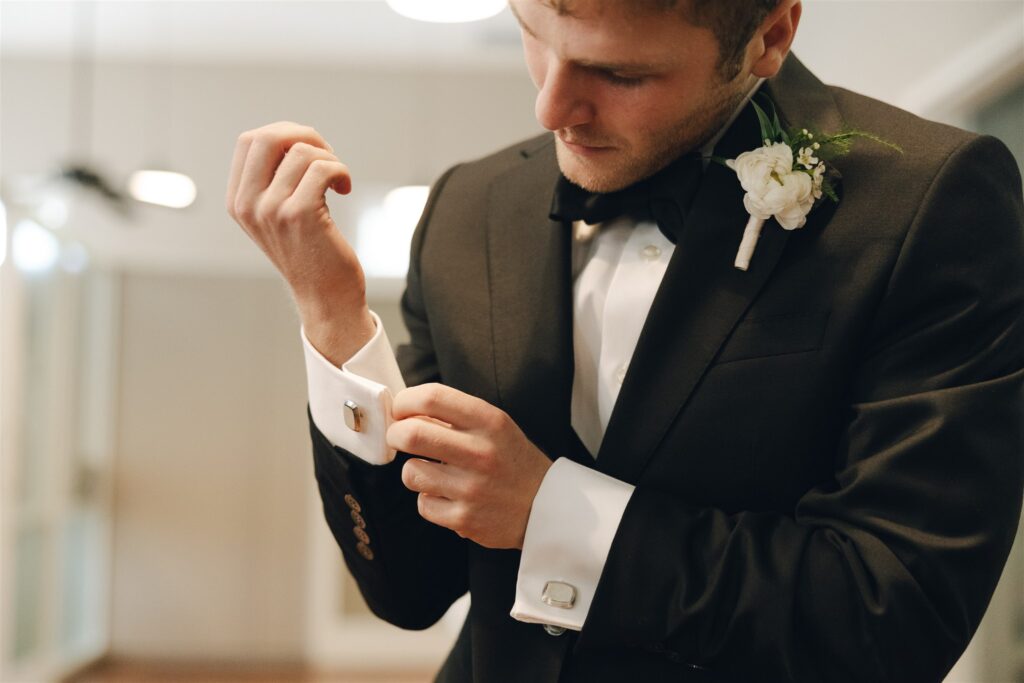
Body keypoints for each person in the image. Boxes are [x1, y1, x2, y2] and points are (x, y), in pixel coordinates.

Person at [225, 0, 1024, 680]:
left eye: (621, 74)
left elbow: (893, 613)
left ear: (771, 35)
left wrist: (553, 513)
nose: (549, 106)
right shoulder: (470, 206)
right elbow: (410, 588)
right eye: (530, 31)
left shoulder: (931, 202)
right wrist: (334, 319)